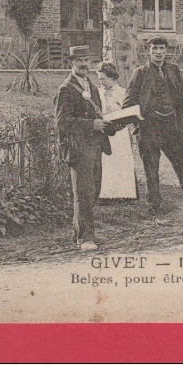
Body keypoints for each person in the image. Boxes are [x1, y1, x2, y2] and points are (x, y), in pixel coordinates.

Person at [123, 37, 183, 224]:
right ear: (148, 51)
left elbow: (182, 99)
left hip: (172, 127)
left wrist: (179, 123)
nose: (158, 52)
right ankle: (155, 208)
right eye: (154, 48)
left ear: (166, 51)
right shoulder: (139, 73)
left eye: (161, 48)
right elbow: (128, 104)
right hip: (149, 128)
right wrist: (140, 125)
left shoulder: (173, 70)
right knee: (151, 170)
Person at [54, 46, 113, 251]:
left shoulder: (92, 86)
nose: (83, 64)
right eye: (79, 60)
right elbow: (62, 122)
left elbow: (97, 116)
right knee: (84, 193)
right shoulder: (66, 89)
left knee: (94, 190)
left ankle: (80, 231)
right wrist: (90, 125)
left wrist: (107, 124)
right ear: (71, 63)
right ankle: (85, 238)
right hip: (78, 148)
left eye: (86, 59)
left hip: (95, 145)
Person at [95, 62, 139, 201]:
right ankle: (106, 193)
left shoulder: (122, 92)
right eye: (99, 79)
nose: (100, 82)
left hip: (119, 131)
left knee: (120, 160)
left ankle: (123, 193)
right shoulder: (98, 92)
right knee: (106, 160)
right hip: (103, 130)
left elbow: (127, 111)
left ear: (112, 78)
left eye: (103, 79)